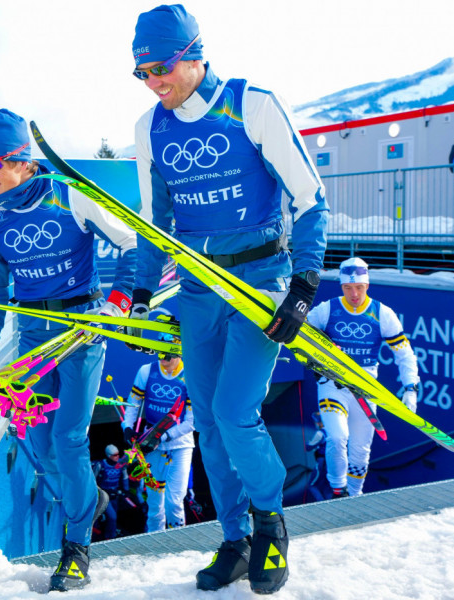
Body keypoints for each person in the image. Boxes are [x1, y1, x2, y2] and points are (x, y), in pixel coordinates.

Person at [126, 5, 328, 594]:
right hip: (195, 289)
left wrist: (305, 285)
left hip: (259, 281)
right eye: (141, 72)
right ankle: (234, 539)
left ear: (194, 53)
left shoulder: (253, 104)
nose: (153, 81)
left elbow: (310, 197)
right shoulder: (151, 128)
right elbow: (151, 219)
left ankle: (271, 528)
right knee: (209, 423)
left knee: (237, 412)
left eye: (160, 67)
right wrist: (140, 291)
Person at [0, 109, 137, 592]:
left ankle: (77, 547)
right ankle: (91, 502)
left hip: (82, 330)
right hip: (32, 334)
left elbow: (132, 244)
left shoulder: (70, 194)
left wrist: (118, 304)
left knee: (68, 438)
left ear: (22, 161)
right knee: (39, 442)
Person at [306, 257, 419, 498]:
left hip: (366, 386)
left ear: (367, 285)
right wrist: (318, 356)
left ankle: (355, 496)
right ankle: (338, 489)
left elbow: (404, 353)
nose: (354, 293)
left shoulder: (382, 313)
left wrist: (410, 387)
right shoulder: (328, 309)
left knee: (360, 450)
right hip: (333, 384)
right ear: (341, 286)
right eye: (348, 287)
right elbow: (301, 338)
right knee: (338, 438)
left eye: (359, 287)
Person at [121, 335, 194, 532]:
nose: (163, 360)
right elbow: (133, 403)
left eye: (168, 356)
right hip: (151, 443)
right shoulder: (147, 371)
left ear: (178, 353)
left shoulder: (191, 374)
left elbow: (192, 422)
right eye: (159, 354)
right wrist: (127, 428)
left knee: (174, 502)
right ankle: (154, 543)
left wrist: (162, 436)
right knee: (154, 504)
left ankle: (177, 545)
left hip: (180, 445)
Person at [92, 444, 129, 540]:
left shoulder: (120, 465)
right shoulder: (100, 465)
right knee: (112, 517)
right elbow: (93, 480)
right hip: (104, 495)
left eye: (118, 454)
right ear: (108, 456)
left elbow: (125, 477)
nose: (117, 457)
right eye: (114, 455)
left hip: (115, 495)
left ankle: (109, 532)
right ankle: (110, 537)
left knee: (114, 516)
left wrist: (126, 490)